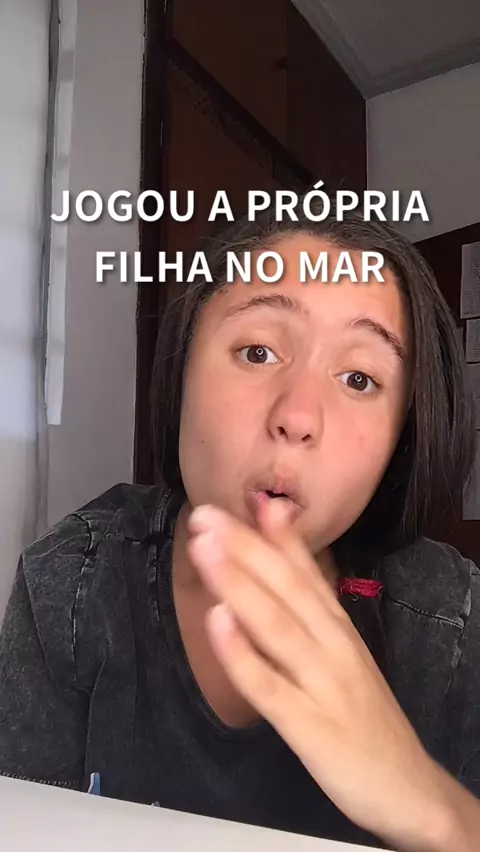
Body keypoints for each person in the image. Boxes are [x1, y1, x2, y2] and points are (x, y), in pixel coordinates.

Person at [0, 197, 479, 851]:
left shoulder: (449, 619)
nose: (298, 416)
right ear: (182, 371)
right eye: (257, 351)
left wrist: (427, 804)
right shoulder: (72, 578)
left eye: (360, 377)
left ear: (402, 436)